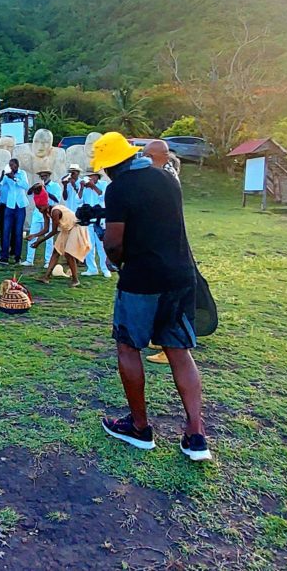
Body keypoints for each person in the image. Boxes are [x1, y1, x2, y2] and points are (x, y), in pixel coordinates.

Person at [93, 132, 211, 462]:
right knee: (179, 350)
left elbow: (114, 243)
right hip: (180, 276)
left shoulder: (119, 188)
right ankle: (196, 433)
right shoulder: (167, 178)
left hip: (142, 279)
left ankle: (140, 428)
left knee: (129, 346)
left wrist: (115, 261)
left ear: (112, 165)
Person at [143, 140, 182, 364]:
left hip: (166, 245)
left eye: (147, 154)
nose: (144, 157)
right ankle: (160, 339)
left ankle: (168, 348)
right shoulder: (165, 172)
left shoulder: (164, 176)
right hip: (165, 243)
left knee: (165, 297)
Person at [28, 190, 91, 287]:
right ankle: (46, 277)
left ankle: (75, 279)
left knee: (68, 254)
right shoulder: (46, 212)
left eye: (40, 207)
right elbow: (45, 229)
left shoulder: (55, 211)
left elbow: (54, 231)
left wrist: (39, 242)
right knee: (56, 251)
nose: (40, 210)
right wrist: (34, 235)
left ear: (45, 204)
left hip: (76, 227)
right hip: (66, 229)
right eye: (38, 208)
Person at [21, 170, 62, 267]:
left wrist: (45, 191)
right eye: (42, 176)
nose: (43, 178)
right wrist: (36, 187)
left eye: (45, 176)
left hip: (50, 213)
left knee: (49, 238)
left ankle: (48, 261)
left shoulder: (55, 186)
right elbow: (29, 192)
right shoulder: (38, 186)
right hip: (38, 213)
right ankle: (29, 259)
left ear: (49, 176)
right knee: (32, 235)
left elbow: (57, 199)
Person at [80, 172, 112, 279]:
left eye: (91, 176)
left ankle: (105, 269)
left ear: (97, 177)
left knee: (101, 245)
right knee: (89, 245)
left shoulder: (103, 184)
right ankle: (92, 268)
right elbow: (78, 200)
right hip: (88, 218)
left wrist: (93, 186)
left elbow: (103, 197)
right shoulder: (85, 188)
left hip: (100, 218)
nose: (89, 178)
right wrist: (81, 188)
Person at [0, 158, 29, 264]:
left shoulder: (22, 173)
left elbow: (25, 186)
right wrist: (2, 177)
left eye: (13, 165)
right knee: (6, 231)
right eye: (9, 165)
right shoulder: (7, 175)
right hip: (9, 205)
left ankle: (17, 257)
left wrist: (14, 178)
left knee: (18, 232)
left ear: (17, 165)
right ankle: (4, 257)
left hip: (20, 206)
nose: (11, 167)